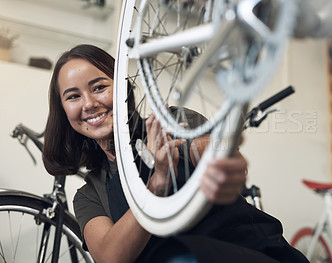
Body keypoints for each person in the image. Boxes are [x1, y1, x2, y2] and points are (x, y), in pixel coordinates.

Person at [42, 44, 308, 263]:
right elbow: (112, 258)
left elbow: (214, 156)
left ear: (123, 89)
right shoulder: (89, 196)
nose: (89, 103)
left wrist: (218, 151)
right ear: (64, 111)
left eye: (99, 87)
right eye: (73, 96)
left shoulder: (170, 122)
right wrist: (156, 187)